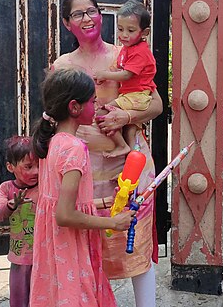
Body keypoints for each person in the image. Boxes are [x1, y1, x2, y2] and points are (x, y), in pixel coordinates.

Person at [53, 0, 163, 307]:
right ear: (66, 23)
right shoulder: (64, 66)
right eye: (78, 14)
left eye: (92, 11)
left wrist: (125, 116)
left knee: (136, 242)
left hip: (130, 163)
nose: (87, 18)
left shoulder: (124, 54)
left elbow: (155, 103)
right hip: (85, 167)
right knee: (91, 247)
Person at [29, 66, 134, 306]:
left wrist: (107, 203)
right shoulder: (74, 149)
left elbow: (58, 202)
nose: (96, 106)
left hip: (54, 248)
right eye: (93, 101)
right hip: (69, 246)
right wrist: (112, 223)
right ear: (74, 107)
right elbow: (65, 215)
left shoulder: (52, 142)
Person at [93, 0, 157, 158]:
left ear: (144, 33)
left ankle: (121, 146)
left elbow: (127, 74)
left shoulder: (140, 51)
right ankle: (130, 153)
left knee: (102, 112)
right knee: (130, 128)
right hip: (133, 95)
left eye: (130, 30)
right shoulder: (129, 48)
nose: (124, 35)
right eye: (120, 29)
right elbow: (120, 68)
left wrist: (104, 75)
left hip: (137, 95)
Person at [0, 136, 38, 307]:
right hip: (19, 258)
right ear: (10, 167)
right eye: (28, 167)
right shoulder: (6, 188)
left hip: (43, 257)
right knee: (19, 301)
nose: (36, 172)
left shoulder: (44, 186)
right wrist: (11, 205)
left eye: (39, 166)